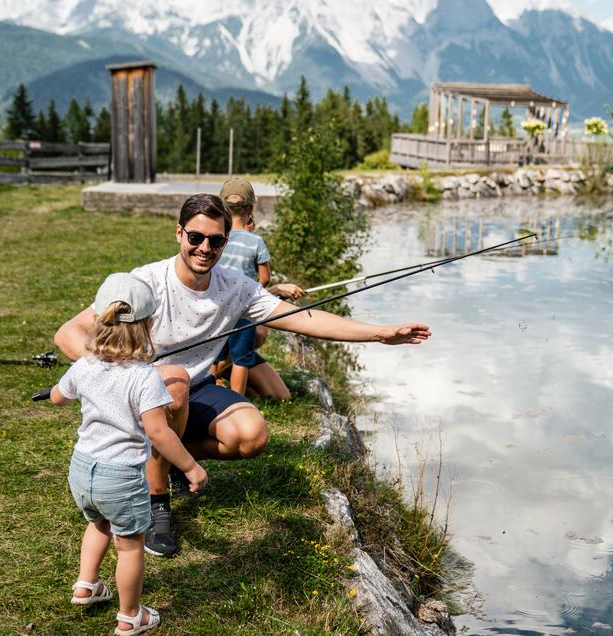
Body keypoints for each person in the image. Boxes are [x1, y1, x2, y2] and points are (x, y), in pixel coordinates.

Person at [54, 193, 430, 558]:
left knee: (252, 437)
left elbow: (304, 319)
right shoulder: (146, 281)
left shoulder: (237, 285)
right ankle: (157, 505)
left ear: (226, 241)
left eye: (215, 240)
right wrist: (118, 371)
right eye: (196, 237)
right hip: (150, 391)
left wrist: (380, 333)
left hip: (197, 387)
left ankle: (165, 460)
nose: (205, 248)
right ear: (179, 233)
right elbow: (68, 333)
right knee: (172, 379)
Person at [49, 272, 209, 635]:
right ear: (149, 324)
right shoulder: (144, 377)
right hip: (119, 476)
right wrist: (190, 467)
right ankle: (130, 615)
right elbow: (158, 432)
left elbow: (59, 396)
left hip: (81, 470)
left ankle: (86, 585)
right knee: (130, 546)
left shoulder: (84, 364)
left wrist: (67, 385)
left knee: (98, 524)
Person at [215, 178, 304, 399]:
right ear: (251, 209)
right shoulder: (255, 242)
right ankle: (236, 399)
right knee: (243, 356)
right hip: (242, 312)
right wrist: (264, 292)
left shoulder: (217, 240)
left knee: (218, 355)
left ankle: (215, 382)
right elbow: (264, 278)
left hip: (218, 312)